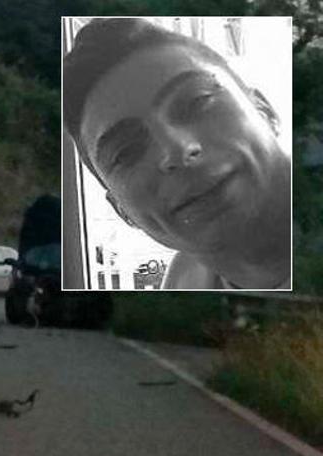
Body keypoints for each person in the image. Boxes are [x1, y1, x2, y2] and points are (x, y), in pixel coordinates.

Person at [63, 18, 290, 289]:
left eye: (197, 102)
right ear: (122, 211)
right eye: (126, 152)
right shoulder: (183, 284)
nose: (176, 150)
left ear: (265, 111)